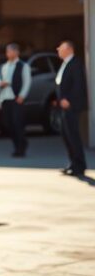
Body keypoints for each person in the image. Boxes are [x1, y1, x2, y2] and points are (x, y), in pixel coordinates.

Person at [55, 40, 88, 177]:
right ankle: (72, 163)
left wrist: (69, 100)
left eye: (60, 48)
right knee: (66, 135)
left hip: (71, 106)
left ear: (69, 49)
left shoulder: (75, 64)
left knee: (73, 136)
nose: (58, 50)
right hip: (63, 106)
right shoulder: (65, 64)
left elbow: (78, 85)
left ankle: (79, 165)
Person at [0, 43, 30, 158]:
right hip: (5, 98)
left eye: (10, 51)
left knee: (17, 123)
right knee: (8, 124)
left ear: (16, 52)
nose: (8, 54)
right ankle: (19, 144)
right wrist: (0, 83)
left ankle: (20, 148)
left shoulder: (23, 66)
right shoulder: (3, 66)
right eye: (7, 51)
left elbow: (27, 82)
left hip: (16, 98)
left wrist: (22, 96)